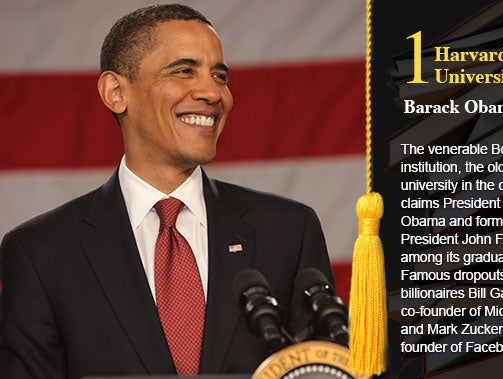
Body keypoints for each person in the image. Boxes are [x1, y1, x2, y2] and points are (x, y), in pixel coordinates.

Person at [0, 4, 334, 378]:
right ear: (115, 92)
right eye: (184, 71)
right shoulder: (41, 253)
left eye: (219, 75)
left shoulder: (288, 230)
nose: (213, 92)